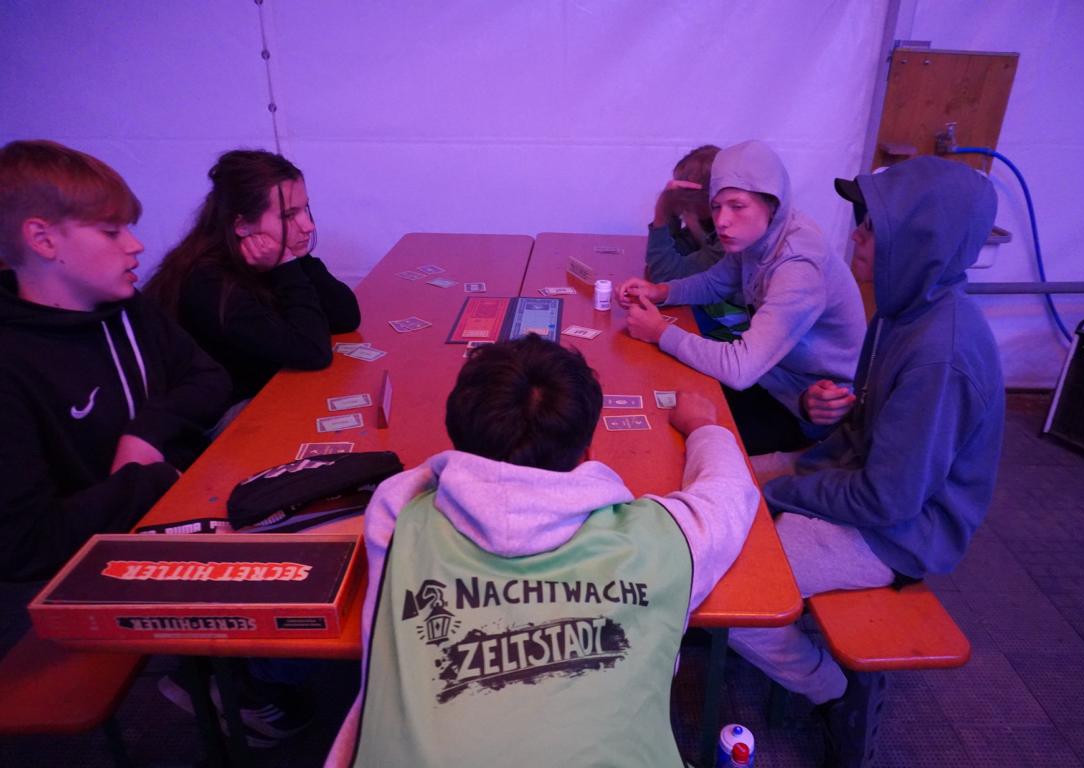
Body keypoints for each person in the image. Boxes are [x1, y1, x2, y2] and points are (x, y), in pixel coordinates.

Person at [325, 335, 760, 767]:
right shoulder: (660, 538)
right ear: (587, 452)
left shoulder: (401, 518)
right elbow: (731, 492)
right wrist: (703, 425)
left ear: (457, 444)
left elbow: (406, 483)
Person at [729, 156, 1006, 767]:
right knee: (728, 477)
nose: (855, 235)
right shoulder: (901, 310)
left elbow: (888, 500)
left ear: (921, 242)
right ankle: (771, 610)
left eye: (873, 227)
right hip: (860, 482)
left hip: (897, 533)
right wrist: (820, 431)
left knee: (732, 594)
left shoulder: (940, 354)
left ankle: (831, 690)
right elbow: (866, 434)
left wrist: (783, 493)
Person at [0, 140, 231, 582]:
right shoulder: (12, 363)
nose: (136, 245)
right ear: (43, 239)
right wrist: (150, 481)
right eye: (112, 232)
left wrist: (146, 432)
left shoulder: (127, 307)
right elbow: (26, 545)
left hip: (176, 507)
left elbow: (209, 378)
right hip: (91, 574)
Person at [618, 139, 865, 454]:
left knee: (673, 437)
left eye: (737, 206)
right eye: (717, 206)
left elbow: (739, 370)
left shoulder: (799, 266)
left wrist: (659, 331)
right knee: (662, 390)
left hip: (807, 405)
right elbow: (715, 283)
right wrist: (661, 291)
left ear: (772, 204)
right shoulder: (762, 234)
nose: (722, 221)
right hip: (770, 377)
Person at [146, 149, 360, 407]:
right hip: (225, 415)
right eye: (289, 215)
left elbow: (346, 317)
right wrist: (287, 267)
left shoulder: (270, 260)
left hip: (267, 392)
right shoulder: (209, 283)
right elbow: (313, 352)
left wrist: (298, 259)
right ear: (242, 225)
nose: (308, 225)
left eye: (305, 209)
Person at [645, 144, 725, 282]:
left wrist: (662, 211)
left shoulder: (728, 237)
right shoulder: (706, 222)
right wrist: (672, 214)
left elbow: (664, 274)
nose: (679, 197)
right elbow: (669, 255)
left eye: (684, 193)